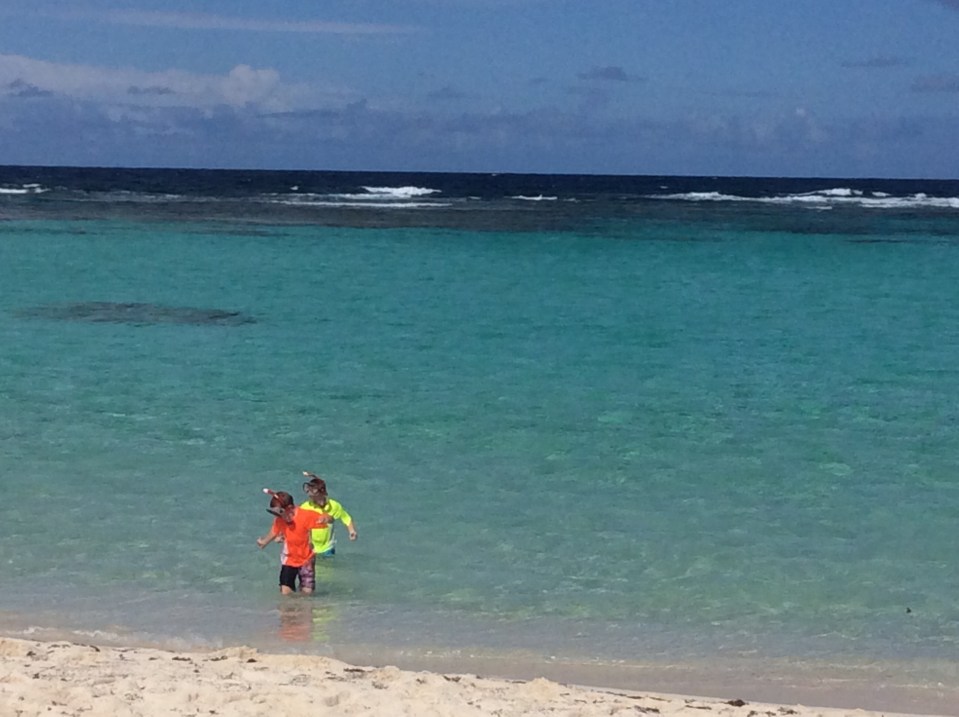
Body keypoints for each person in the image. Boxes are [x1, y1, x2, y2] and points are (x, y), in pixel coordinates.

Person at [256, 490, 330, 595]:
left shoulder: (305, 516)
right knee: (285, 592)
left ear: (290, 508)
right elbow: (274, 531)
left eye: (280, 512)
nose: (278, 516)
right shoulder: (280, 519)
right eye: (275, 513)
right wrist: (264, 541)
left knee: (307, 593)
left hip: (306, 559)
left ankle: (303, 610)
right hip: (289, 559)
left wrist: (326, 518)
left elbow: (328, 518)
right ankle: (288, 610)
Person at [301, 471, 358, 557]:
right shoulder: (305, 507)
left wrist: (351, 530)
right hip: (311, 549)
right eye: (308, 492)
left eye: (312, 492)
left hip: (328, 549)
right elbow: (296, 524)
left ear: (321, 493)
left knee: (329, 570)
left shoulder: (333, 506)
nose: (309, 494)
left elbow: (345, 517)